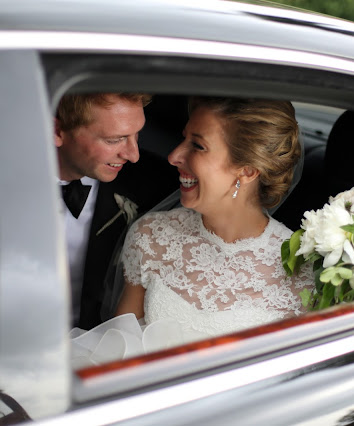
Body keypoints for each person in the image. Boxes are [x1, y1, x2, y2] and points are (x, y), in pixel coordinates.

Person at [114, 96, 313, 343]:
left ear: (248, 170)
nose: (174, 156)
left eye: (197, 146)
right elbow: (118, 348)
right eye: (183, 138)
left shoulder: (302, 269)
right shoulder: (152, 236)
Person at [55, 92, 177, 329]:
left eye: (137, 134)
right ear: (57, 131)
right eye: (114, 140)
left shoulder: (157, 185)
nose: (133, 155)